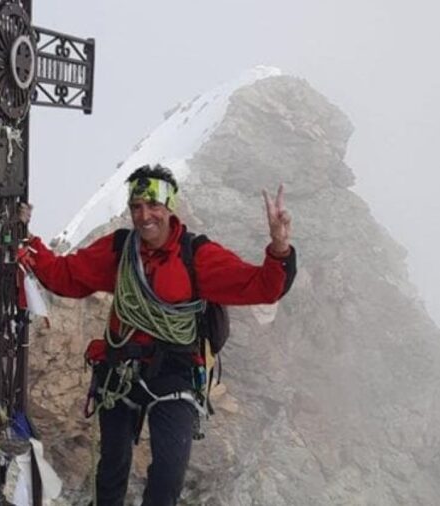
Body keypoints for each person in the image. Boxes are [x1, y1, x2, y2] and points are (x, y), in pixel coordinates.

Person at [18, 165, 296, 506]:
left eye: (153, 205)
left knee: (168, 474)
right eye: (136, 207)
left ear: (170, 206)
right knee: (111, 469)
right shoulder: (121, 251)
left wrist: (279, 248)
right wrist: (28, 240)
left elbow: (261, 287)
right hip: (120, 368)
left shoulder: (197, 256)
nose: (144, 215)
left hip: (174, 372)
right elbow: (65, 277)